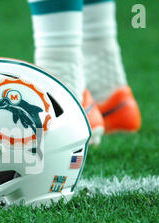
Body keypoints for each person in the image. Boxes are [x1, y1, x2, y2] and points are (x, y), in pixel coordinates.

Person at [27, 0, 141, 144]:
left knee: (59, 61)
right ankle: (107, 96)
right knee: (94, 46)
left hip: (69, 109)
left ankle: (68, 99)